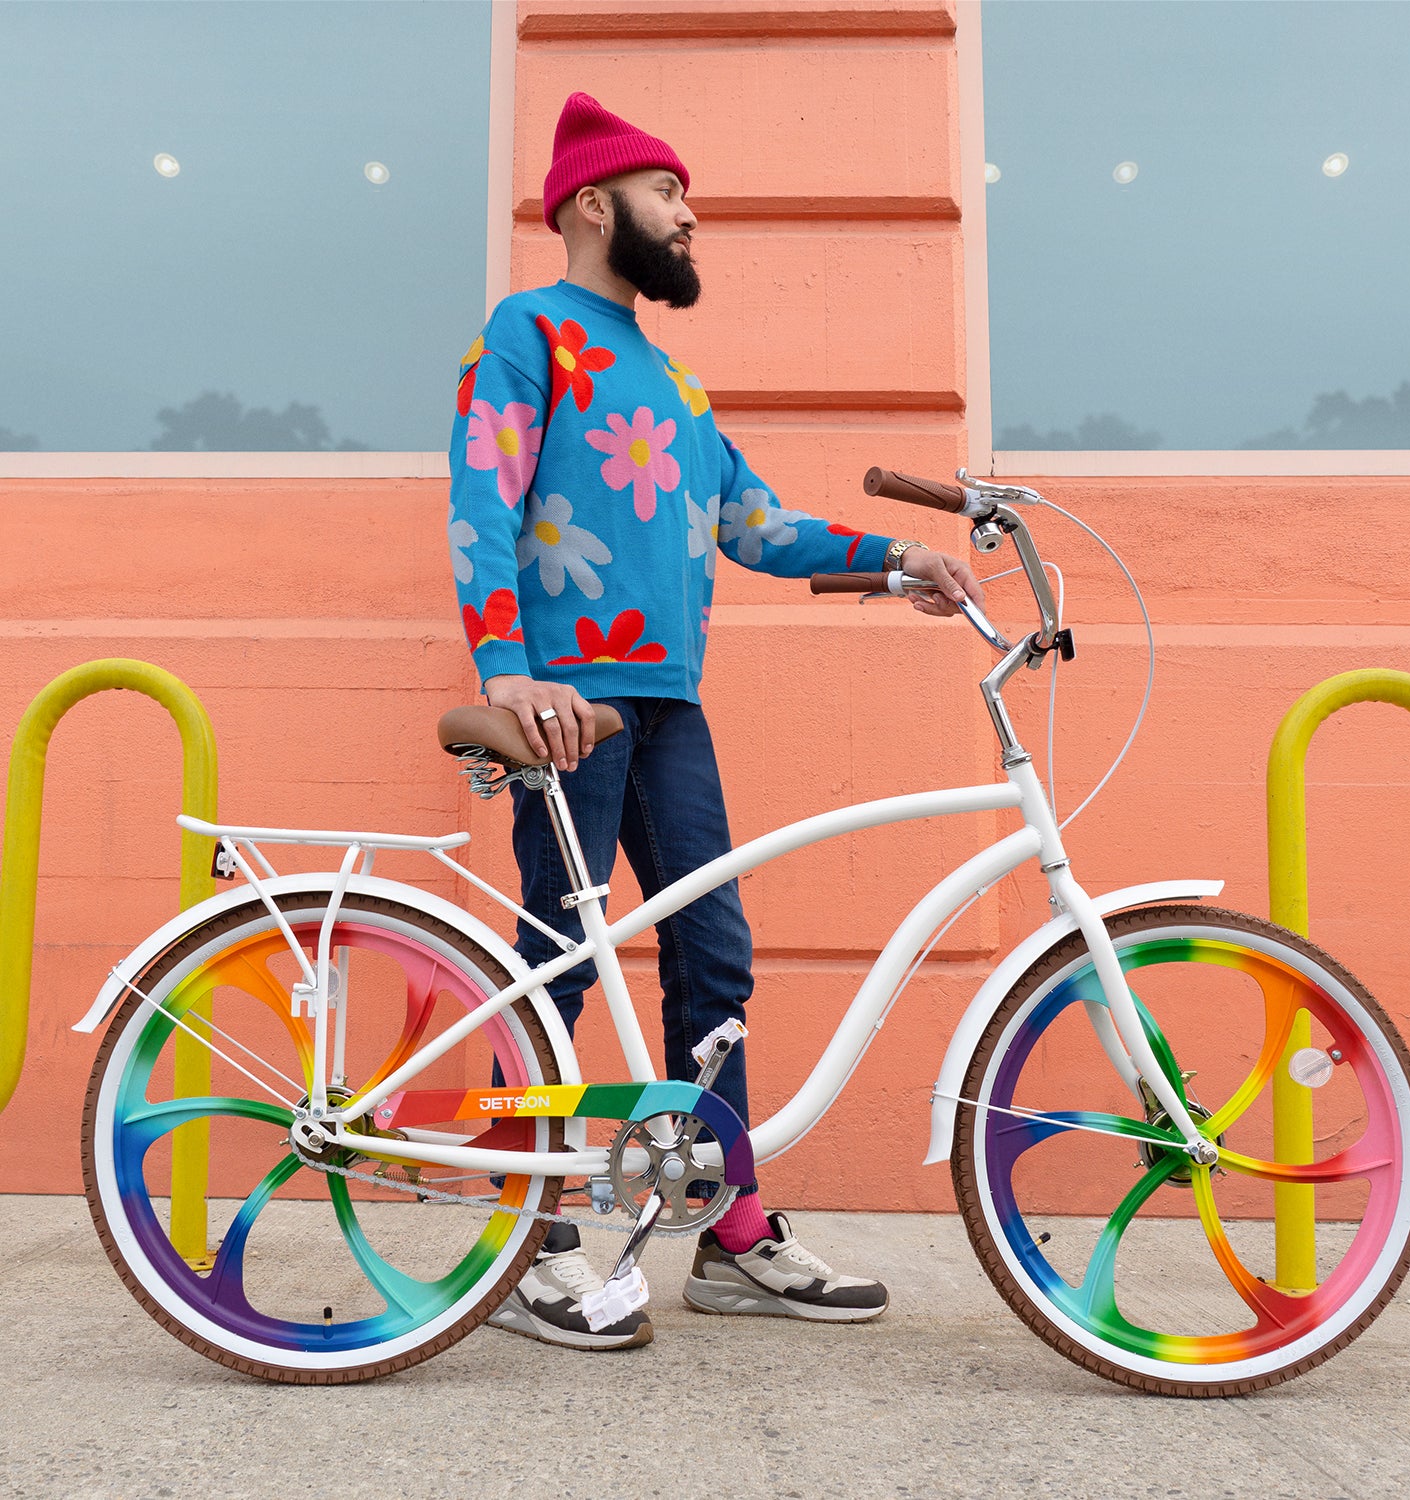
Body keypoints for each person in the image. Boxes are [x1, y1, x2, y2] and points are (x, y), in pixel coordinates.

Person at [447, 91, 984, 1351]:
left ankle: (730, 1228)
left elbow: (754, 525)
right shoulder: (530, 332)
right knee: (559, 956)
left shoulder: (673, 377)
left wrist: (899, 554)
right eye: (668, 193)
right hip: (569, 704)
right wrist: (511, 669)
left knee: (717, 958)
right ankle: (526, 1236)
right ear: (594, 205)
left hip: (666, 707)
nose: (691, 215)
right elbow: (483, 494)